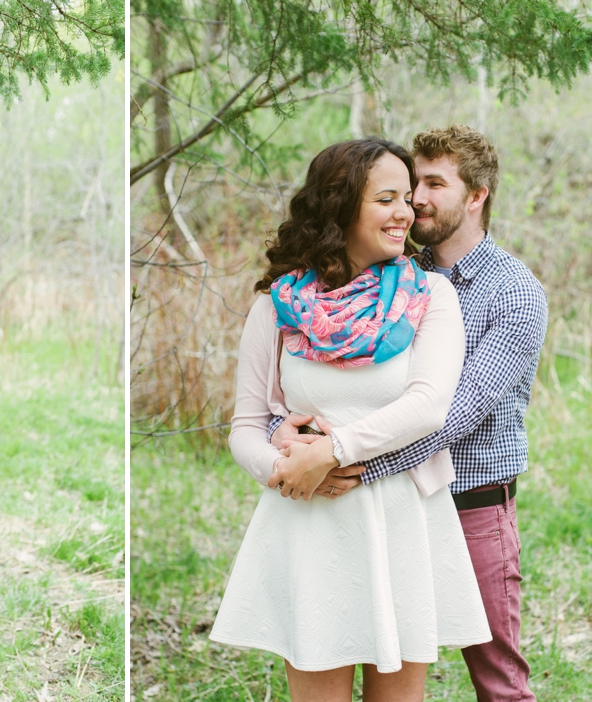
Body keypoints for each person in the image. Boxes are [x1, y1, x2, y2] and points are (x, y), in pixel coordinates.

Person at [209, 137, 491, 702]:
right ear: (340, 205)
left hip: (402, 518)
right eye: (386, 199)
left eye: (406, 199)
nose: (405, 213)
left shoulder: (430, 295)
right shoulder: (277, 306)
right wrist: (283, 466)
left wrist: (332, 452)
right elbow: (245, 426)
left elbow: (428, 406)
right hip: (310, 520)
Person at [272, 125, 548, 701]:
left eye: (434, 184)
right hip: (387, 510)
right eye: (410, 183)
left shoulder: (513, 292)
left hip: (472, 504)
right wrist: (286, 433)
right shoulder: (389, 272)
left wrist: (343, 463)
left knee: (497, 675)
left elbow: (453, 413)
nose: (416, 198)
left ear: (477, 196)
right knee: (367, 644)